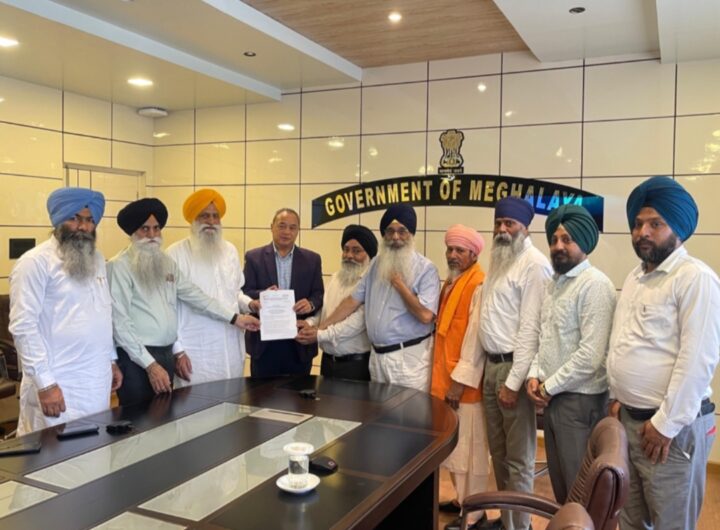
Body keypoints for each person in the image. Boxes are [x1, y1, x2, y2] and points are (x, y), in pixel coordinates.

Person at [607, 176, 719, 530]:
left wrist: (665, 425)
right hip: (631, 421)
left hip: (671, 430)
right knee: (630, 519)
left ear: (678, 229)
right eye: (638, 224)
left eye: (656, 224)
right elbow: (626, 341)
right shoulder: (636, 277)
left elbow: (697, 360)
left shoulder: (694, 278)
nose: (643, 232)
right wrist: (617, 397)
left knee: (671, 523)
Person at [108, 198, 258, 406]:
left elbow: (195, 296)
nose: (152, 235)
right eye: (145, 229)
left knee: (163, 417)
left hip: (165, 353)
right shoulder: (119, 266)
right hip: (137, 357)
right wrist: (150, 365)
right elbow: (120, 323)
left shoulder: (165, 262)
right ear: (133, 232)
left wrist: (235, 318)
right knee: (139, 420)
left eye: (156, 228)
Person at [9, 187, 121, 435]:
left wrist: (111, 360)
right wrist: (45, 384)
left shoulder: (97, 259)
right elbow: (23, 327)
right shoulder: (34, 262)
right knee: (53, 454)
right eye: (74, 218)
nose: (83, 227)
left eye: (89, 220)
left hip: (96, 380)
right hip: (58, 383)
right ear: (58, 219)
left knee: (94, 450)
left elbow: (102, 313)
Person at [526, 204, 616, 503]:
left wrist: (547, 387)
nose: (558, 246)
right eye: (554, 239)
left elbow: (590, 356)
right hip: (554, 399)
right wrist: (534, 375)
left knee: (582, 494)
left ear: (584, 242)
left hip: (579, 402)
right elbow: (545, 338)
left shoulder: (595, 285)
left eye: (567, 239)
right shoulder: (556, 284)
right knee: (562, 491)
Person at [472, 196, 552, 530]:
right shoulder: (500, 259)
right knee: (499, 455)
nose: (502, 229)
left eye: (510, 223)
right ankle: (508, 521)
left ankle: (520, 526)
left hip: (512, 371)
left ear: (525, 227)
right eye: (498, 223)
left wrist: (513, 381)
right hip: (493, 367)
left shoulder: (534, 264)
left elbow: (531, 329)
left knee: (518, 459)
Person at [320, 204, 440, 391]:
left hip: (408, 361)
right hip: (377, 360)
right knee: (379, 409)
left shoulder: (426, 269)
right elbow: (351, 302)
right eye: (390, 231)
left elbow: (426, 316)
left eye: (402, 231)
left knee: (409, 410)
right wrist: (321, 327)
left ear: (411, 234)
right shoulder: (376, 264)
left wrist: (399, 285)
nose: (395, 237)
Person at [430, 225, 491, 530]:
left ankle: (475, 514)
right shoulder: (453, 281)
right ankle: (460, 500)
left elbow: (475, 338)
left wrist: (459, 381)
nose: (453, 255)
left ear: (473, 254)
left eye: (460, 251)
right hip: (445, 379)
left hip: (463, 385)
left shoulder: (478, 283)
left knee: (471, 451)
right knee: (455, 450)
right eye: (450, 249)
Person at [166, 189, 254, 387]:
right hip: (195, 351)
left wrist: (251, 304)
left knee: (231, 401)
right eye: (204, 216)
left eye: (215, 216)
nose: (211, 221)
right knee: (195, 404)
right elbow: (167, 307)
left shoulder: (229, 250)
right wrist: (177, 351)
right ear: (193, 219)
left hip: (231, 347)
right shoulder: (175, 254)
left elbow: (235, 292)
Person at [243, 208, 324, 377]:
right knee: (261, 393)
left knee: (299, 393)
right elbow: (245, 292)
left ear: (298, 231)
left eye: (292, 227)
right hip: (264, 343)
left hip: (298, 342)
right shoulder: (253, 257)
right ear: (271, 227)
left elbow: (319, 294)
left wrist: (310, 304)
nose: (287, 232)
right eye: (282, 226)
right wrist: (264, 295)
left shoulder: (312, 259)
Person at [296, 224, 377, 381]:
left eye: (356, 251)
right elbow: (325, 310)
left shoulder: (372, 284)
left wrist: (319, 334)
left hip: (355, 366)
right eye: (346, 249)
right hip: (327, 362)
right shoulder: (335, 278)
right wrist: (309, 322)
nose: (349, 255)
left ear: (369, 254)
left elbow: (356, 324)